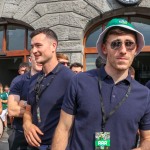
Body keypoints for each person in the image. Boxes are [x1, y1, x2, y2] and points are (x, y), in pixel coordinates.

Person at [51, 18, 150, 150]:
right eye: (116, 44)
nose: (123, 50)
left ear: (135, 48)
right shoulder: (80, 81)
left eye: (129, 44)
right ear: (104, 48)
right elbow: (63, 128)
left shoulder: (144, 94)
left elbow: (147, 138)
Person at [23, 27, 74, 150]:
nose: (34, 50)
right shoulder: (34, 79)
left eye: (38, 45)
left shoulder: (71, 79)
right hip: (33, 147)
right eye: (32, 46)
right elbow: (28, 110)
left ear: (53, 46)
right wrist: (27, 124)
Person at [8, 51, 42, 150]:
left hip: (43, 135)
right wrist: (39, 108)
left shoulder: (51, 79)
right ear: (30, 60)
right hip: (20, 133)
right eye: (36, 56)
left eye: (41, 56)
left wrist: (25, 104)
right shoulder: (19, 80)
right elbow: (12, 110)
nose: (39, 59)